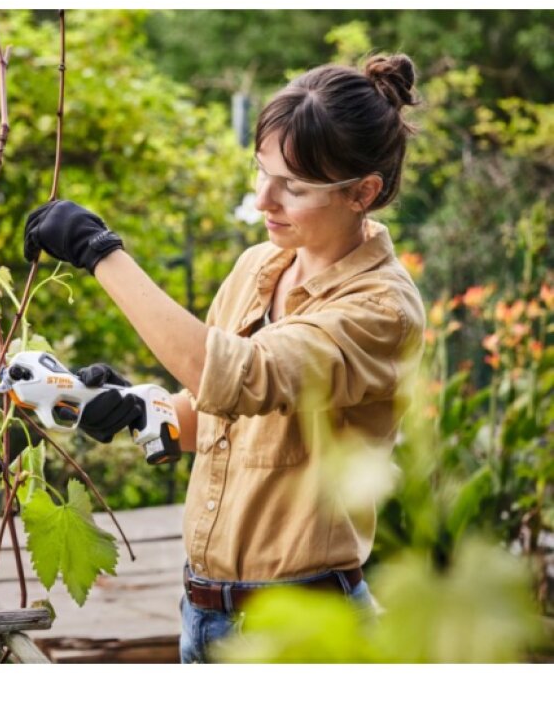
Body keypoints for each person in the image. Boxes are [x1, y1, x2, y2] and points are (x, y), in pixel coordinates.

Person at [22, 54, 427, 663]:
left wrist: (100, 251)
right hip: (205, 618)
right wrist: (141, 408)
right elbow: (231, 419)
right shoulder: (257, 268)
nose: (265, 198)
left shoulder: (381, 311)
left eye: (294, 185)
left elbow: (243, 375)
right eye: (262, 171)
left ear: (362, 192)